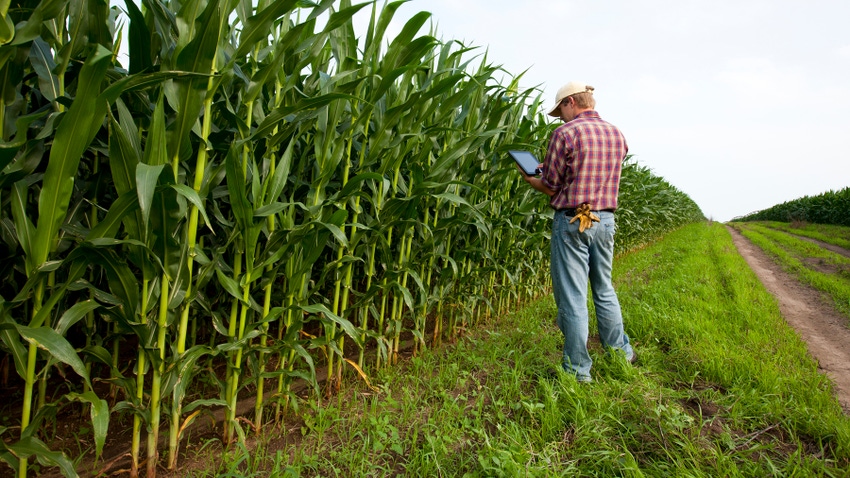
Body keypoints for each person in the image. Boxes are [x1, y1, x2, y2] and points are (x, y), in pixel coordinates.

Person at [519, 81, 635, 382]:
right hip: (604, 220)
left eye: (561, 111)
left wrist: (532, 178)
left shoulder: (565, 134)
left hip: (573, 220)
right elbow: (592, 172)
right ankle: (621, 354)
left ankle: (577, 371)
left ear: (571, 102)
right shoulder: (616, 134)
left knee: (572, 297)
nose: (561, 118)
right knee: (604, 288)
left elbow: (551, 185)